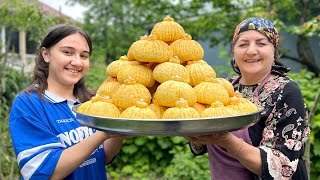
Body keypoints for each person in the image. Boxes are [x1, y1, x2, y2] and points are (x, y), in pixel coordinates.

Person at [186, 17, 311, 180]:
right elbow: (201, 146)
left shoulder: (285, 91)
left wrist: (226, 140)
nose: (251, 51)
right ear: (234, 51)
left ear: (274, 51)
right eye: (243, 44)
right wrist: (193, 131)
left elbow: (282, 167)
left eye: (261, 43)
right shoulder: (224, 87)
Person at [9, 24, 125, 179]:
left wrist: (121, 130)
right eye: (67, 52)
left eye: (84, 56)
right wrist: (103, 133)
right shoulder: (28, 104)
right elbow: (45, 173)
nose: (77, 62)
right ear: (46, 54)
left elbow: (102, 157)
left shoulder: (91, 101)